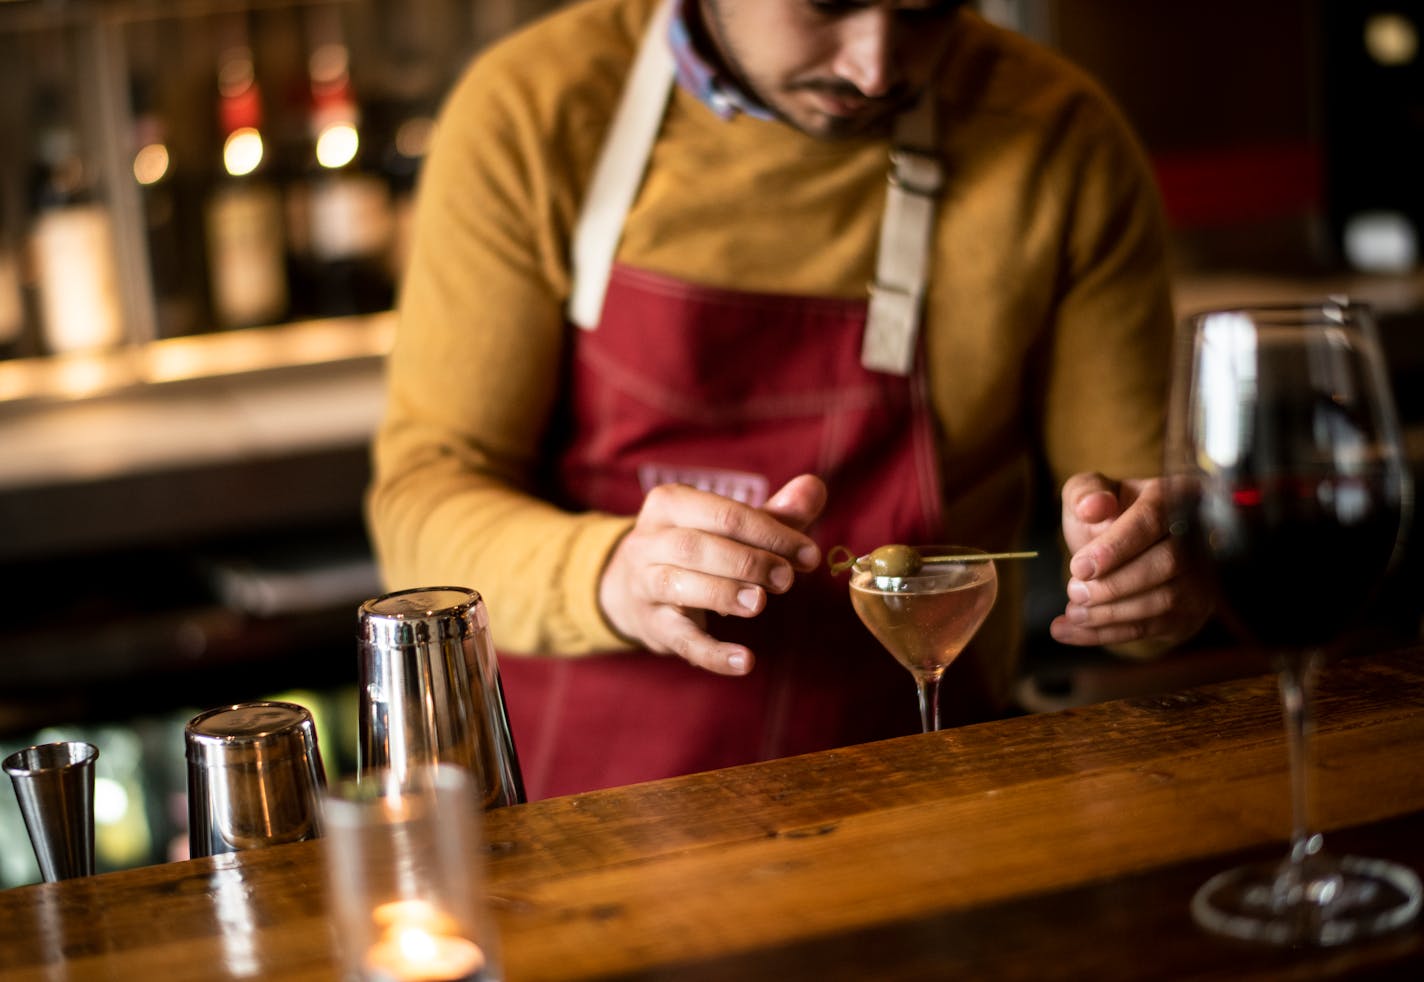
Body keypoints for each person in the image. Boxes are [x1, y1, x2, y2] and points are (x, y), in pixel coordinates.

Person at [367, 0, 1211, 800]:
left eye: (925, 11)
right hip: (586, 828)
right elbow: (419, 511)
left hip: (931, 810)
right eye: (827, 4)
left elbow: (1146, 578)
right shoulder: (534, 110)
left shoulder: (1059, 138)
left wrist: (1154, 572)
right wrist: (611, 575)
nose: (876, 68)